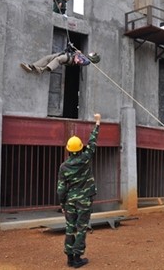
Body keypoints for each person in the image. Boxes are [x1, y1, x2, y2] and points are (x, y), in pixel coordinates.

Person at [57, 113, 101, 268]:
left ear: (69, 150)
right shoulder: (85, 158)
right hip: (84, 200)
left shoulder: (64, 166)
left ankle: (69, 258)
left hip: (70, 200)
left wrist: (62, 204)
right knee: (81, 228)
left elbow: (61, 188)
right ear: (80, 148)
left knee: (70, 228)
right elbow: (92, 142)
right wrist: (97, 123)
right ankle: (77, 258)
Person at [20, 44, 100, 74]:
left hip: (69, 59)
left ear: (94, 57)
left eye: (93, 54)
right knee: (48, 57)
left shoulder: (87, 61)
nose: (91, 52)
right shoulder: (85, 56)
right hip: (67, 54)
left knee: (58, 59)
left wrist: (78, 53)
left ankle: (42, 69)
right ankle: (31, 66)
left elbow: (77, 61)